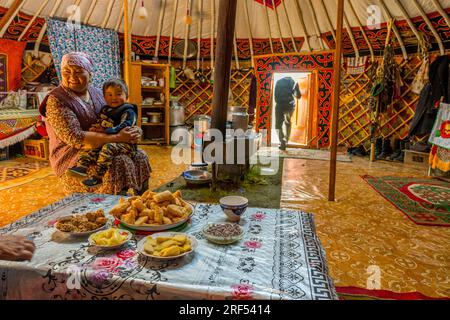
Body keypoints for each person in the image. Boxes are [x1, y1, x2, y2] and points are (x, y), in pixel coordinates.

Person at [39, 52, 151, 195]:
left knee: (140, 155)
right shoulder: (57, 100)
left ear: (90, 75)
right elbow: (76, 138)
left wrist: (134, 131)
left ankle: (141, 202)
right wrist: (118, 137)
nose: (72, 77)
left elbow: (117, 116)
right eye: (66, 72)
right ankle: (112, 206)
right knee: (118, 162)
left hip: (103, 145)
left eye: (79, 72)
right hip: (73, 157)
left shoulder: (98, 93)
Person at [69, 79, 138, 187]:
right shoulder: (106, 110)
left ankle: (98, 177)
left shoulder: (128, 111)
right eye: (109, 95)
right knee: (94, 145)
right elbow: (101, 122)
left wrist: (107, 131)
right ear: (104, 97)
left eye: (118, 94)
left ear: (126, 96)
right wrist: (96, 128)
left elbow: (126, 125)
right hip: (110, 139)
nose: (114, 97)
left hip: (127, 144)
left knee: (108, 148)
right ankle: (82, 166)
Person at [274, 77, 301, 150]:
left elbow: (275, 96)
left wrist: (279, 102)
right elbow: (298, 96)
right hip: (289, 105)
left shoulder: (278, 82)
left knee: (277, 125)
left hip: (280, 105)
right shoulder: (293, 82)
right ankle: (286, 141)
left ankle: (282, 142)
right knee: (287, 122)